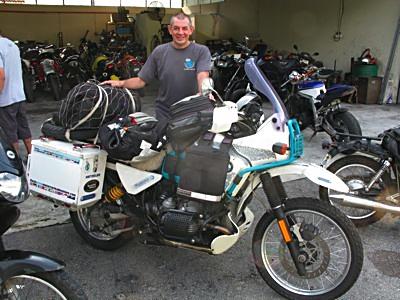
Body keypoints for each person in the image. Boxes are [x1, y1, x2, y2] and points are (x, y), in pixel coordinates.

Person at [103, 12, 212, 130]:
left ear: (191, 30)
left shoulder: (201, 51)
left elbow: (202, 75)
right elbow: (141, 80)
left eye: (184, 28)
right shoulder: (159, 52)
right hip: (165, 112)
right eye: (176, 28)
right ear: (170, 30)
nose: (180, 32)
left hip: (191, 110)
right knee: (166, 146)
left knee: (189, 147)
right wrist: (120, 83)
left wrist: (205, 92)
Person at [0, 34, 32, 154]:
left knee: (10, 133)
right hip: (19, 95)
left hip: (6, 99)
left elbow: (1, 76)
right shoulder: (12, 45)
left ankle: (16, 162)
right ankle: (31, 156)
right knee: (24, 128)